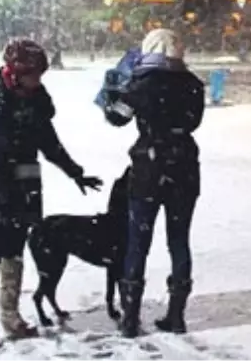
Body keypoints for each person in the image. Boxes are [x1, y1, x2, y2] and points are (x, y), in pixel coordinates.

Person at [0, 38, 103, 350]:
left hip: (23, 184)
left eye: (40, 75)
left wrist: (76, 172)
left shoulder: (36, 101)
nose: (38, 81)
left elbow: (49, 144)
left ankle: (10, 316)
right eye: (33, 74)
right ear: (16, 70)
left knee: (14, 251)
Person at [101, 28, 205, 338]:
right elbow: (192, 121)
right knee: (179, 240)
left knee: (137, 242)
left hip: (149, 169)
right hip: (185, 168)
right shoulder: (192, 85)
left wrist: (113, 96)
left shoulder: (140, 83)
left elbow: (117, 117)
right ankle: (176, 315)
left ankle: (130, 318)